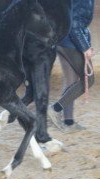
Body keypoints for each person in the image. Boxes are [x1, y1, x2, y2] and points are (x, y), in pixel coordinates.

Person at [48, 0, 95, 133]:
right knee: (89, 80)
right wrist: (85, 47)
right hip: (70, 41)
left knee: (71, 81)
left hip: (62, 39)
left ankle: (68, 122)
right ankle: (55, 109)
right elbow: (75, 25)